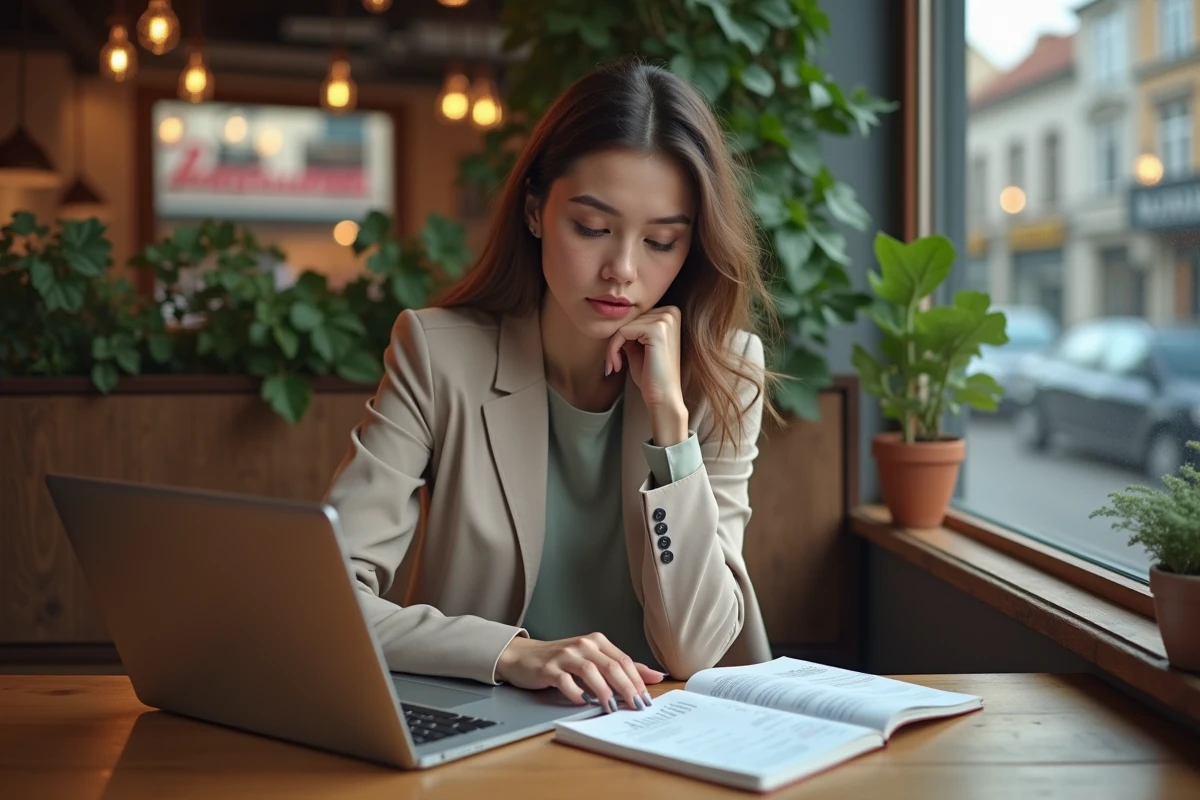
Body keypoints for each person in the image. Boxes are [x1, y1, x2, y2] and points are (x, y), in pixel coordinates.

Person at [325, 60, 777, 716]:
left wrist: (670, 428)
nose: (621, 269)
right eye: (592, 228)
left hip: (666, 730)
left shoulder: (724, 374)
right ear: (535, 211)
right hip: (487, 730)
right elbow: (330, 596)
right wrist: (513, 653)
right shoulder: (438, 355)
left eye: (661, 241)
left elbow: (696, 649)